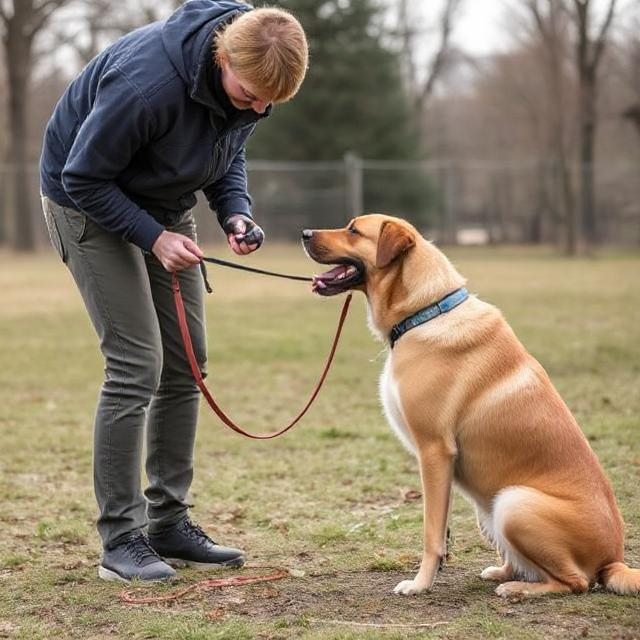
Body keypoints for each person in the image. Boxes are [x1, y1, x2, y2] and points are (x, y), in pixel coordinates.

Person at [39, 0, 308, 582]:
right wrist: (153, 238)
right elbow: (82, 176)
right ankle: (121, 538)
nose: (258, 108)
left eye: (269, 104)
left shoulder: (250, 86)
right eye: (251, 96)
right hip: (85, 201)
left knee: (186, 361)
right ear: (223, 59)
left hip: (163, 205)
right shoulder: (146, 86)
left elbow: (228, 149)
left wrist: (235, 212)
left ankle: (168, 522)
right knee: (136, 364)